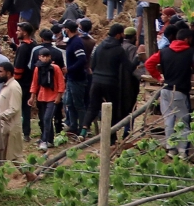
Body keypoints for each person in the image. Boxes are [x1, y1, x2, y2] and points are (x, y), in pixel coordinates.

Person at [80, 23, 141, 139]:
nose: (123, 36)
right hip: (111, 83)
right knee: (112, 110)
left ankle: (83, 131)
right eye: (122, 34)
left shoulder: (100, 46)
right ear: (118, 35)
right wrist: (138, 59)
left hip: (96, 81)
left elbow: (92, 65)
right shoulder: (119, 49)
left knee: (92, 107)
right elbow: (129, 68)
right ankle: (111, 138)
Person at [145, 27, 194, 156]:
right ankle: (183, 151)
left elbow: (149, 63)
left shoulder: (164, 52)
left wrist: (159, 77)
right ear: (187, 39)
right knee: (184, 121)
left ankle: (171, 149)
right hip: (180, 92)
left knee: (169, 120)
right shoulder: (190, 53)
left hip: (165, 90)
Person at [28, 48, 65, 151]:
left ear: (50, 57)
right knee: (44, 119)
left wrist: (59, 96)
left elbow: (61, 83)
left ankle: (44, 141)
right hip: (42, 97)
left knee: (47, 118)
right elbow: (35, 83)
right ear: (39, 57)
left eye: (46, 56)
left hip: (53, 98)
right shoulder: (37, 69)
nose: (45, 58)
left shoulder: (55, 68)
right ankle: (50, 140)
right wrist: (32, 97)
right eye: (42, 56)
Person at [0, 62, 23, 160]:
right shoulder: (7, 86)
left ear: (8, 73)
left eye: (0, 71)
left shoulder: (14, 87)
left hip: (11, 128)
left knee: (15, 156)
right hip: (4, 127)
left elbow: (14, 108)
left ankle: (31, 175)